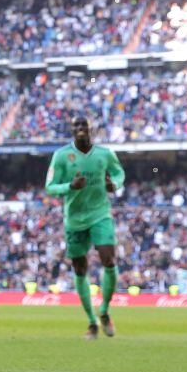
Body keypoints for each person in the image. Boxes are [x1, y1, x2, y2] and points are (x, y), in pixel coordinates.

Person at [45, 116, 125, 340]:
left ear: (91, 129)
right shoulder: (61, 156)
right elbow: (50, 187)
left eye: (84, 126)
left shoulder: (105, 154)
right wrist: (69, 186)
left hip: (100, 214)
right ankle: (91, 322)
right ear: (72, 130)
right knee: (80, 269)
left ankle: (105, 311)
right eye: (76, 126)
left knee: (109, 259)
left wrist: (114, 184)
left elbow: (119, 173)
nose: (80, 129)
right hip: (74, 219)